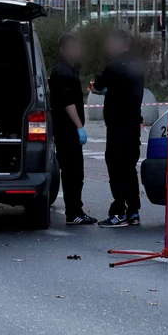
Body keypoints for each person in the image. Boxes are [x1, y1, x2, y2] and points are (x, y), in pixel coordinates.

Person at [92, 29, 145, 228]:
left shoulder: (114, 65)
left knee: (116, 167)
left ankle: (118, 212)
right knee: (130, 168)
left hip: (117, 125)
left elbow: (97, 85)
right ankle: (133, 211)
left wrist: (107, 89)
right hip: (133, 124)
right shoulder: (137, 65)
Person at [49, 33, 97, 226]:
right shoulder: (63, 72)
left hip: (67, 130)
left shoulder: (69, 69)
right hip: (66, 130)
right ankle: (74, 212)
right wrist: (79, 126)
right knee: (73, 172)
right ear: (63, 50)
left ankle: (76, 210)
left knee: (75, 172)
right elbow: (68, 102)